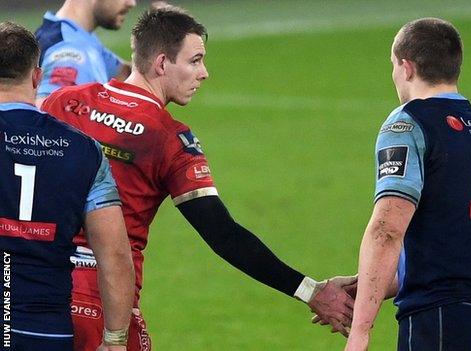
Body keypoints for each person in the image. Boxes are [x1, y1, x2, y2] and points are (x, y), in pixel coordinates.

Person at [41, 7, 355, 351]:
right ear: (162, 63)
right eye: (195, 61)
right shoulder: (170, 138)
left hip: (34, 288)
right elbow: (223, 234)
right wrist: (311, 290)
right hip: (105, 304)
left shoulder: (65, 102)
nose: (204, 73)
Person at [345, 18, 471, 351]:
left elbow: (387, 229)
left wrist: (360, 332)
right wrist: (367, 285)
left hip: (441, 318)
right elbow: (457, 246)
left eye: (393, 66)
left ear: (406, 67)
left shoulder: (408, 123)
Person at [0, 22, 135, 351]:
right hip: (47, 330)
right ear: (36, 77)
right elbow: (115, 255)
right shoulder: (85, 150)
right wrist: (115, 341)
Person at [34, 0, 137, 107]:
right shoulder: (69, 52)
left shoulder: (77, 35)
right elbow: (50, 111)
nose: (131, 3)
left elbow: (126, 75)